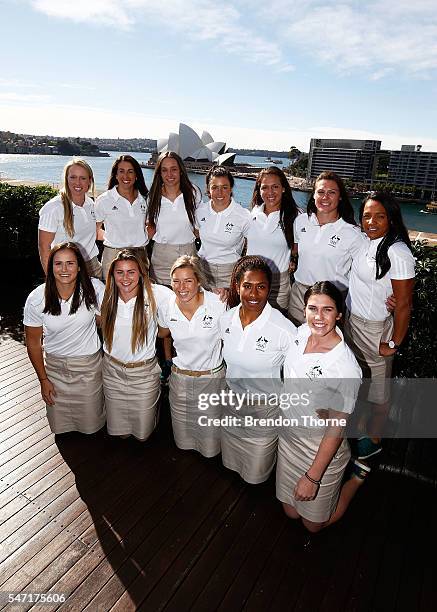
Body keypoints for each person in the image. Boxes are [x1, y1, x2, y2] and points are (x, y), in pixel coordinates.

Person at [277, 281, 363, 532]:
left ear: (339, 314)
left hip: (319, 449)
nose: (319, 317)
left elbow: (335, 429)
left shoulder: (345, 367)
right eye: (313, 308)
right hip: (289, 439)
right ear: (304, 310)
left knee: (314, 525)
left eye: (327, 310)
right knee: (290, 511)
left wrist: (313, 477)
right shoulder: (301, 333)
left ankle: (357, 478)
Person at [345, 192, 415, 460]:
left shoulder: (397, 252)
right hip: (354, 324)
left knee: (379, 392)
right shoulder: (367, 241)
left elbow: (404, 304)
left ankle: (373, 441)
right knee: (360, 383)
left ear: (391, 218)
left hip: (375, 330)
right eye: (366, 216)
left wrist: (394, 343)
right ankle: (361, 429)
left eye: (380, 216)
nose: (371, 222)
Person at [218, 255, 296, 484]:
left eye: (261, 287)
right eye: (247, 286)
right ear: (237, 286)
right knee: (231, 468)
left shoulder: (284, 330)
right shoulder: (226, 320)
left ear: (269, 289)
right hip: (231, 405)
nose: (253, 294)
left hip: (264, 412)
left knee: (255, 478)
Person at [24, 242, 106, 434]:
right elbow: (33, 343)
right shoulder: (37, 298)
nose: (64, 269)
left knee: (91, 427)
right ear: (50, 266)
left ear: (79, 266)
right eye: (58, 263)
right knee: (60, 429)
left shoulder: (93, 288)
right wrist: (43, 379)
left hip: (88, 368)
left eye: (70, 263)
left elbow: (107, 320)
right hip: (55, 369)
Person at [158, 255, 227, 457]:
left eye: (188, 280)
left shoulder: (218, 303)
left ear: (198, 281)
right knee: (183, 442)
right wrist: (168, 359)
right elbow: (163, 333)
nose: (182, 287)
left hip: (211, 381)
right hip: (180, 381)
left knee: (210, 447)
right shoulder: (167, 306)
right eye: (176, 281)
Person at [100, 249, 171, 441]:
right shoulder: (104, 295)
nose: (125, 278)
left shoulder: (157, 294)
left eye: (131, 272)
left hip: (143, 375)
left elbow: (186, 293)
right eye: (119, 272)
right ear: (112, 274)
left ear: (141, 273)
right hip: (112, 371)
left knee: (143, 435)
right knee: (120, 434)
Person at [288, 171, 364, 325]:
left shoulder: (353, 233)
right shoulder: (301, 221)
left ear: (340, 196)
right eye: (320, 192)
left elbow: (366, 270)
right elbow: (296, 251)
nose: (325, 197)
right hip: (299, 294)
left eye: (332, 192)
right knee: (295, 341)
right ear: (314, 195)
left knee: (324, 346)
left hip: (332, 298)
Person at [246, 166, 300, 311]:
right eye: (265, 187)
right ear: (259, 190)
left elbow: (298, 247)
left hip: (278, 284)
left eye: (275, 186)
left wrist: (292, 260)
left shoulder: (295, 217)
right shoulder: (251, 214)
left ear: (283, 188)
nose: (270, 192)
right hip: (250, 279)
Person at [38, 158, 101, 278]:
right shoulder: (53, 208)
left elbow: (94, 233)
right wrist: (51, 280)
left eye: (83, 178)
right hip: (67, 268)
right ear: (66, 179)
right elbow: (44, 247)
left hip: (92, 266)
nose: (78, 183)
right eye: (73, 177)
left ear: (90, 181)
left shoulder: (91, 204)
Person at [147, 152, 200, 287]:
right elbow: (149, 226)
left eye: (174, 169)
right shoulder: (153, 196)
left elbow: (200, 224)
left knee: (187, 297)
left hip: (188, 255)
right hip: (161, 257)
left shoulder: (193, 192)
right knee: (162, 301)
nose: (169, 174)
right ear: (159, 173)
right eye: (164, 170)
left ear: (181, 171)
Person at [196, 166, 251, 295]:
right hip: (202, 270)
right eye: (214, 187)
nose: (219, 193)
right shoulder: (200, 212)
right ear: (208, 190)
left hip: (229, 273)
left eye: (224, 187)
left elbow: (252, 246)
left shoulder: (243, 216)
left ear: (231, 189)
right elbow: (196, 232)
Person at [95, 155, 149, 281]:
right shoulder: (104, 200)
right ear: (115, 175)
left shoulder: (145, 198)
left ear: (136, 175)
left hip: (140, 254)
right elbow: (94, 230)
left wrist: (142, 237)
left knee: (141, 296)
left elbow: (151, 225)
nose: (126, 176)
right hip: (113, 255)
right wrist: (113, 237)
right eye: (121, 171)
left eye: (130, 171)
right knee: (111, 296)